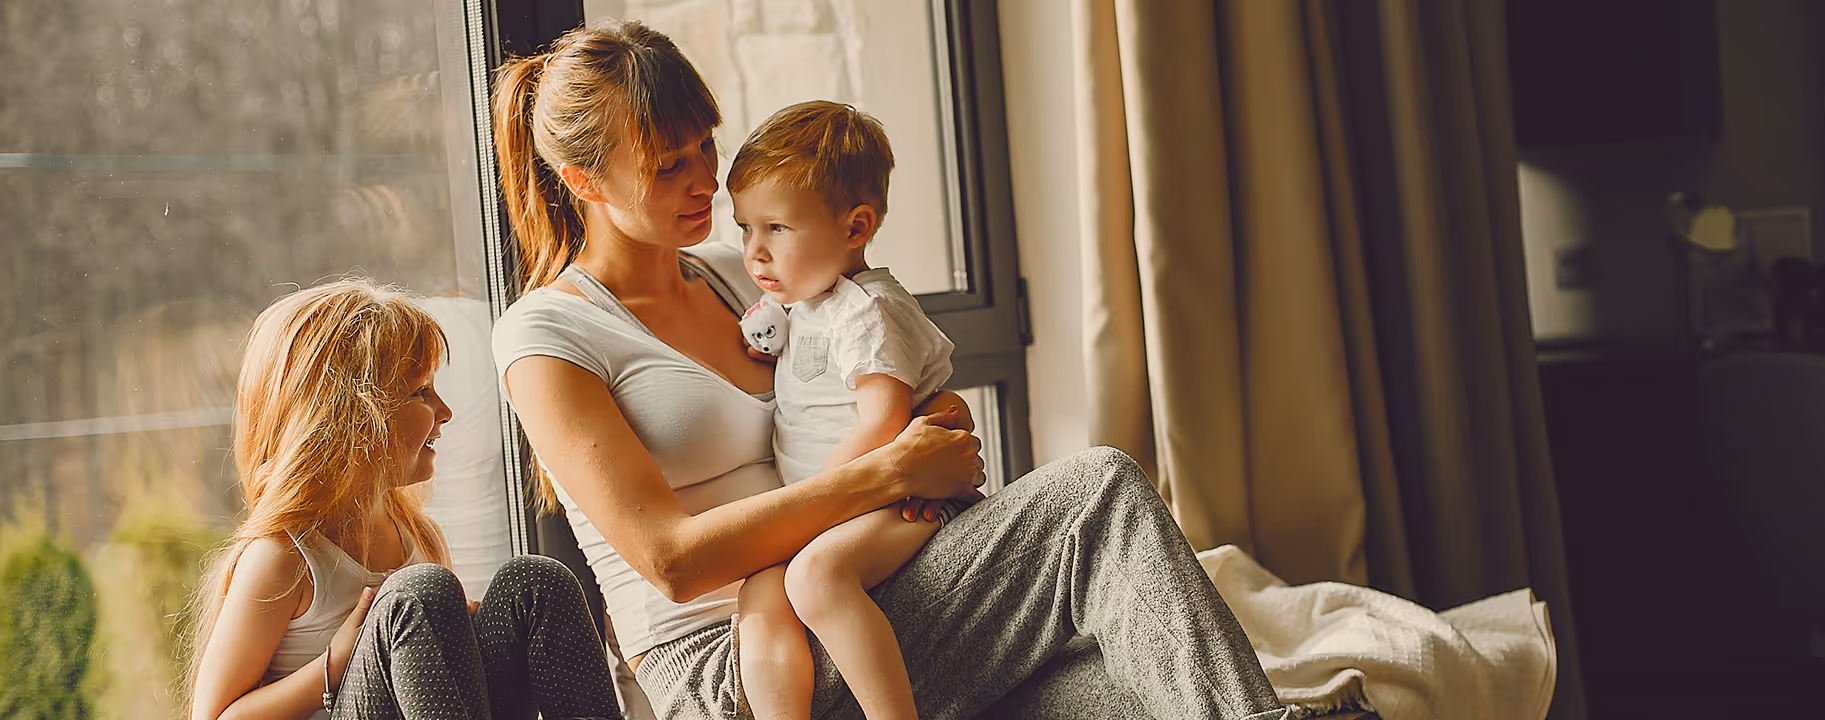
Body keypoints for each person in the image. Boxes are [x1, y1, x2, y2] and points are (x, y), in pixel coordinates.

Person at [489, 18, 1292, 720]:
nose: (705, 178)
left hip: (858, 599)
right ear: (582, 181)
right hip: (734, 664)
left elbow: (882, 377)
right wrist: (888, 471)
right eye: (669, 166)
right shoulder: (548, 333)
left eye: (707, 145)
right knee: (1099, 494)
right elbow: (671, 561)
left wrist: (932, 428)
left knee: (1126, 683)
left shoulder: (743, 270)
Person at [185, 279, 620, 720]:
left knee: (535, 582)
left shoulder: (418, 538)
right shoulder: (284, 556)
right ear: (353, 417)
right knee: (416, 594)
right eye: (421, 392)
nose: (445, 411)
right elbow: (216, 715)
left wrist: (460, 630)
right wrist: (333, 666)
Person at [725, 101, 960, 720]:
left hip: (892, 498)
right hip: (839, 506)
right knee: (761, 593)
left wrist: (816, 501)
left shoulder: (867, 311)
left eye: (776, 229)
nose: (755, 253)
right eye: (745, 228)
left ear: (855, 229)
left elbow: (884, 420)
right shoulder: (814, 300)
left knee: (814, 579)